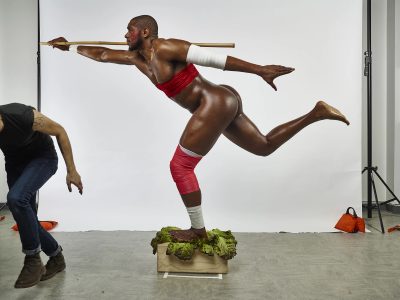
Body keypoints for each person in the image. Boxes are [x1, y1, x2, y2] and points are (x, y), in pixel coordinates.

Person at [49, 15, 349, 242]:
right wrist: (69, 46)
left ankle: (198, 230)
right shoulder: (137, 59)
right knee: (264, 147)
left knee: (180, 167)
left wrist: (259, 70)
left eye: (129, 29)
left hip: (214, 102)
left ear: (145, 31)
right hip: (221, 102)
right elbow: (101, 54)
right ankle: (317, 113)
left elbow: (216, 60)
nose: (124, 34)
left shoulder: (168, 47)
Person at [0, 103, 83, 288]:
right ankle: (56, 257)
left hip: (42, 158)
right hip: (15, 163)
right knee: (26, 218)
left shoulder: (23, 116)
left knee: (16, 198)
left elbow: (60, 131)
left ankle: (32, 259)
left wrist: (71, 170)